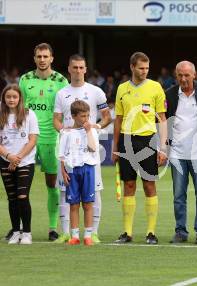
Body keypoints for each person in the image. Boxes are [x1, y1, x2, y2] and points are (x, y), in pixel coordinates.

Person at [53, 54, 112, 244]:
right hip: (68, 148)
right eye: (75, 67)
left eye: (81, 67)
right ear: (69, 69)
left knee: (95, 190)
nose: (78, 71)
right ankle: (66, 233)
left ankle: (92, 232)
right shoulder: (62, 93)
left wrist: (95, 128)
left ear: (85, 69)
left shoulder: (96, 91)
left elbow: (106, 117)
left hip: (89, 149)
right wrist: (64, 131)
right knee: (65, 190)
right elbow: (56, 119)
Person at [113, 52, 167, 244]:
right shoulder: (122, 89)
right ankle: (127, 233)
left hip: (148, 141)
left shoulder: (156, 87)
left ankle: (151, 232)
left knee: (148, 185)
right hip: (126, 141)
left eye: (147, 68)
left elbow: (162, 119)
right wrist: (114, 147)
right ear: (132, 67)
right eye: (141, 68)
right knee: (129, 184)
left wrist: (162, 147)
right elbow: (118, 119)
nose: (144, 71)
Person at [18, 43, 69, 241]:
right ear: (34, 58)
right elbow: (18, 107)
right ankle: (20, 226)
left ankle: (52, 227)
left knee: (52, 184)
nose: (42, 59)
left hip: (51, 138)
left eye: (45, 56)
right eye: (38, 56)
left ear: (52, 58)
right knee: (22, 183)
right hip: (27, 138)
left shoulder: (61, 81)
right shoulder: (25, 79)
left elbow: (66, 109)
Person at [165, 61, 197, 245]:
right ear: (176, 76)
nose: (183, 79)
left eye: (187, 75)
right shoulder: (169, 94)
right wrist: (164, 147)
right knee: (178, 195)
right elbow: (163, 122)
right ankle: (180, 231)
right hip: (177, 153)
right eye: (180, 75)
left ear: (195, 75)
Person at [0, 85, 39, 244]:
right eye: (8, 97)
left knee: (22, 196)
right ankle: (16, 232)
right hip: (5, 161)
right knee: (12, 198)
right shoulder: (1, 115)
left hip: (25, 162)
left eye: (14, 97)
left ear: (20, 98)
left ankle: (27, 233)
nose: (11, 100)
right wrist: (9, 156)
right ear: (4, 99)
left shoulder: (29, 114)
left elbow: (33, 139)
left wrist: (18, 158)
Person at [59, 100, 99, 246]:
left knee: (88, 203)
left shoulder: (91, 131)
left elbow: (93, 148)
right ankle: (74, 235)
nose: (86, 119)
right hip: (72, 170)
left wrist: (88, 131)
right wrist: (63, 172)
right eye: (82, 116)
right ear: (73, 116)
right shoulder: (66, 132)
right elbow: (62, 154)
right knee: (74, 204)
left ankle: (88, 235)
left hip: (88, 169)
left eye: (88, 116)